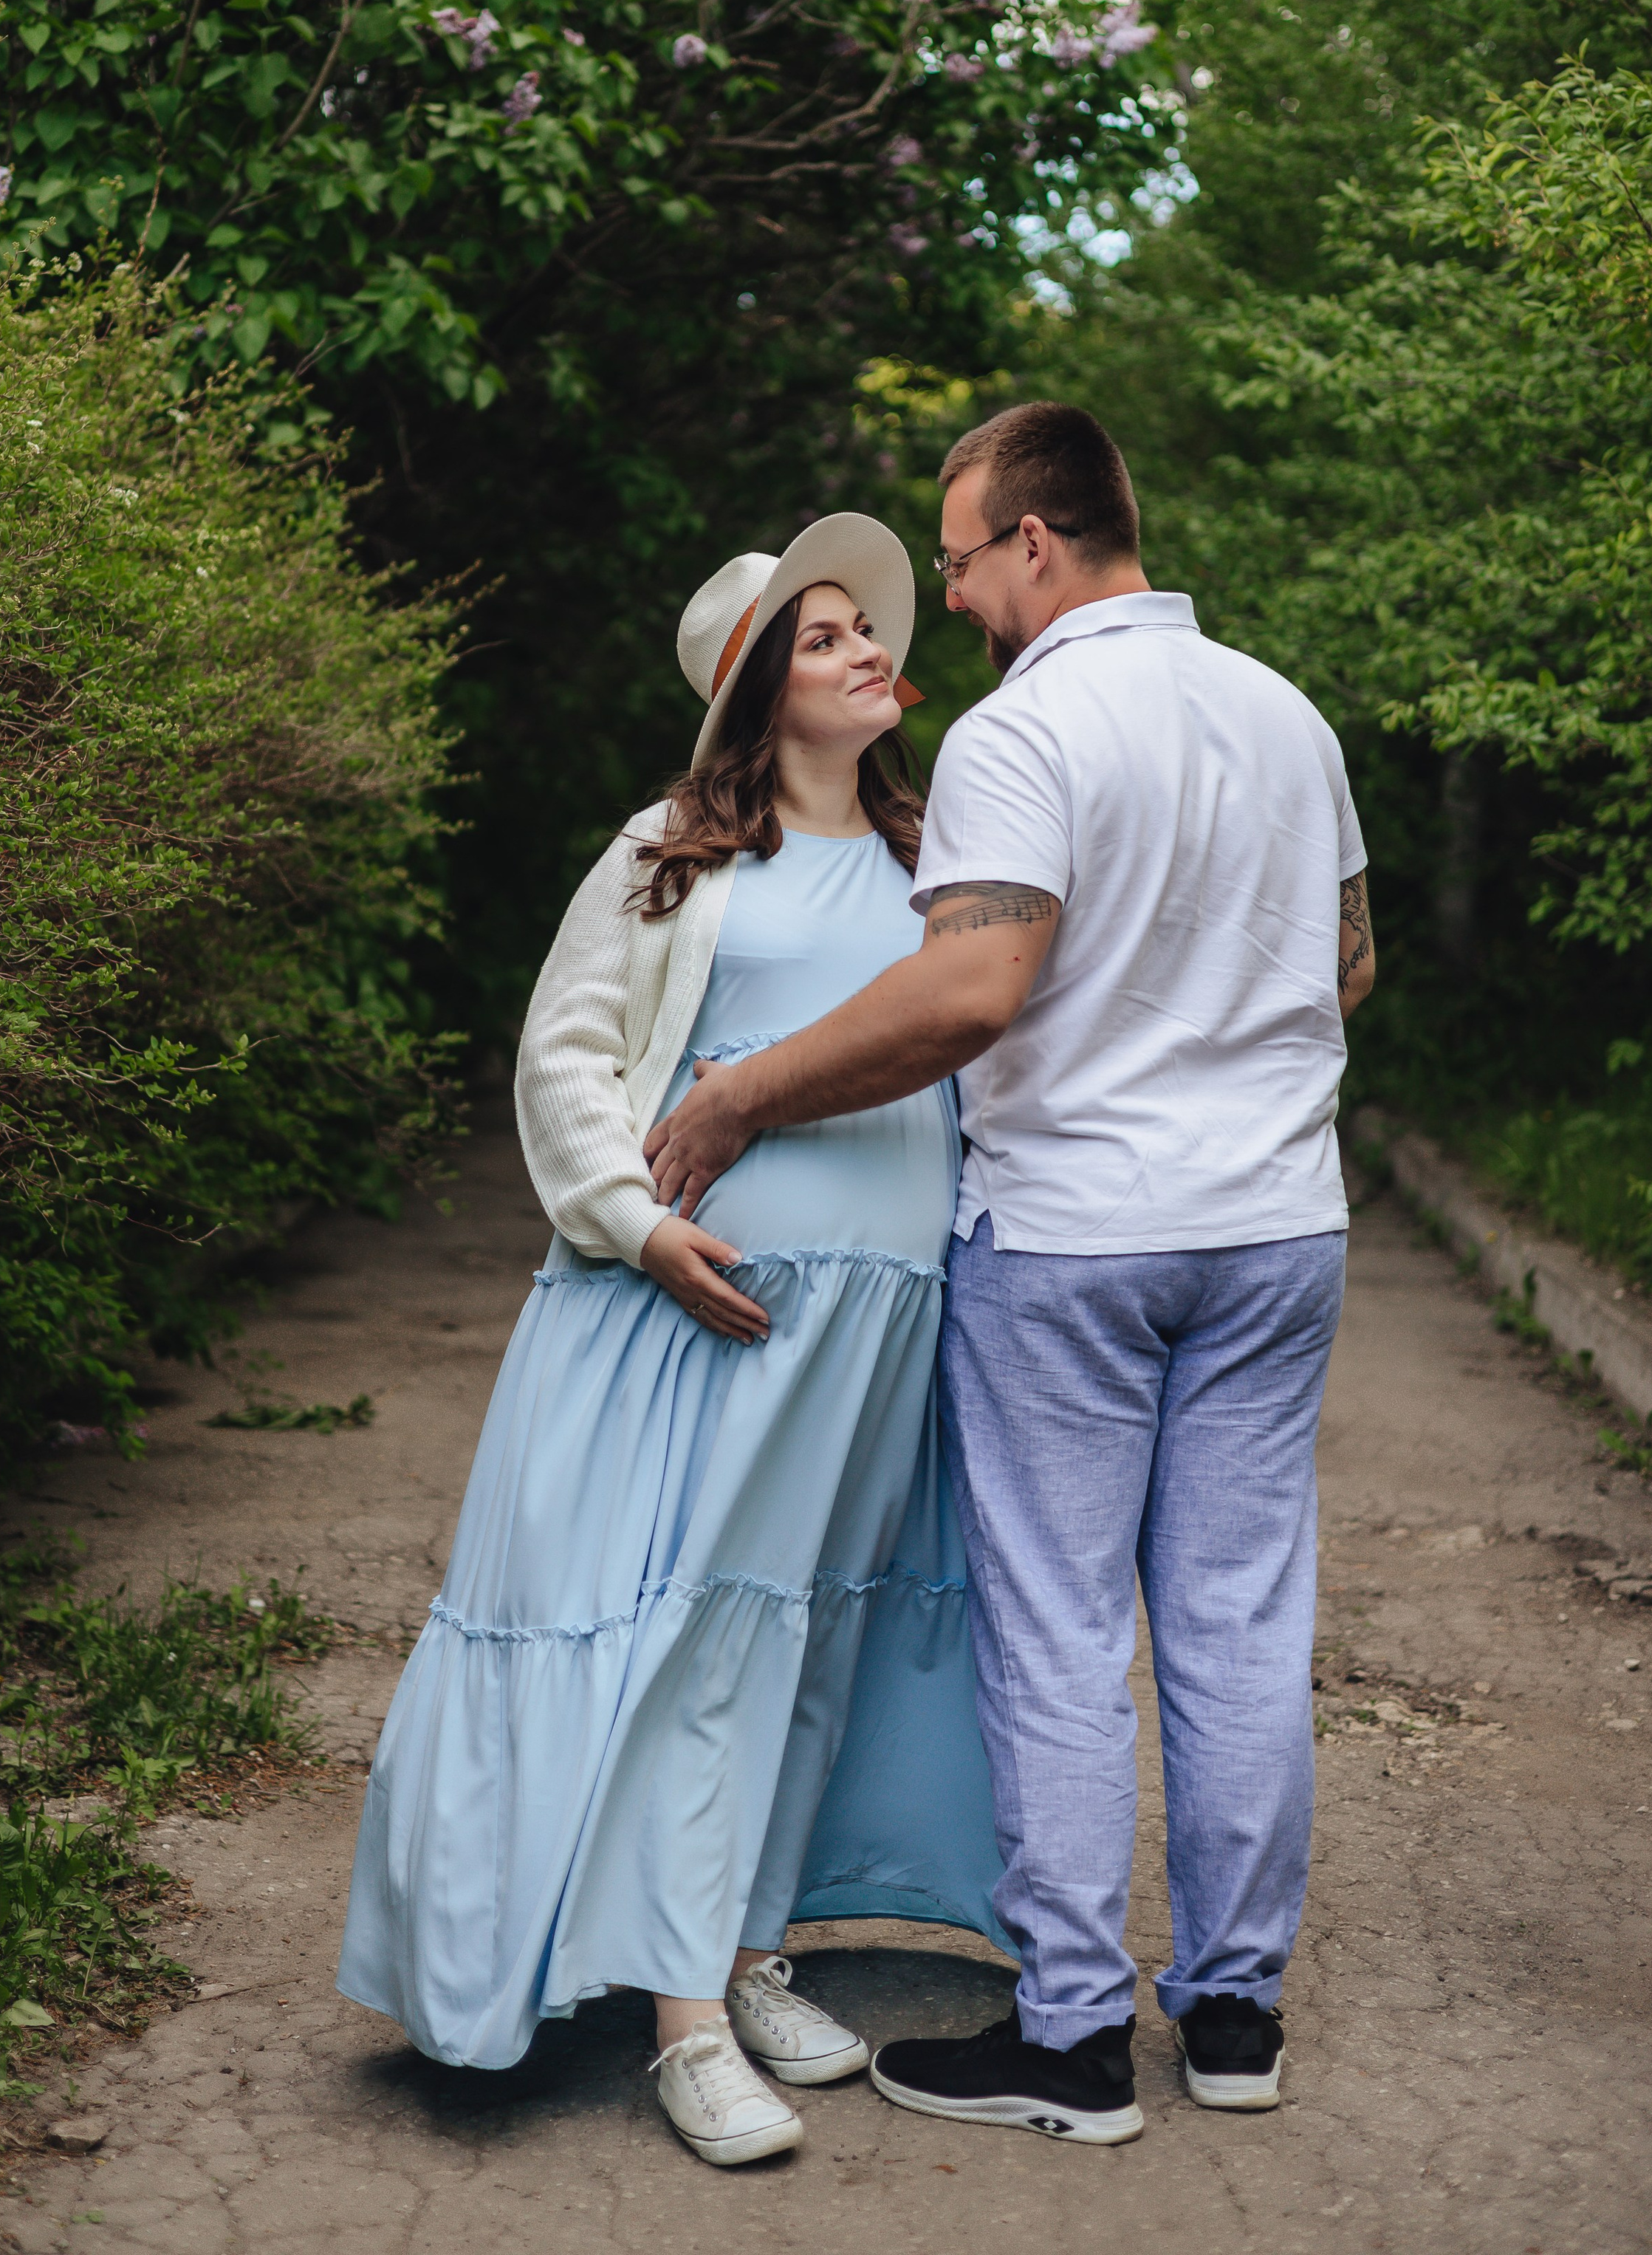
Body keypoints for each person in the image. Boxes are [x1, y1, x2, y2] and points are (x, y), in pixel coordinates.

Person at [648, 403, 1375, 2146]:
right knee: (1236, 1618)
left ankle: (1064, 2044)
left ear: (1034, 544)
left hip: (1072, 1238)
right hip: (1277, 1225)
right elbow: (1345, 965)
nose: (952, 595)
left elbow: (965, 996)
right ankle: (1229, 2019)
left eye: (962, 557)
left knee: (1055, 1630)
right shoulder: (1283, 713)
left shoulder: (1022, 727)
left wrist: (740, 1090)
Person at [337, 513, 1004, 2170]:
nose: (865, 650)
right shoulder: (675, 851)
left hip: (883, 1318)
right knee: (701, 1642)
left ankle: (738, 1946)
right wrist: (637, 1226)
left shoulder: (949, 861)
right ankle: (683, 2030)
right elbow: (564, 1061)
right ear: (753, 689)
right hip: (702, 1311)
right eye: (822, 634)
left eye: (868, 629)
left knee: (807, 1643)